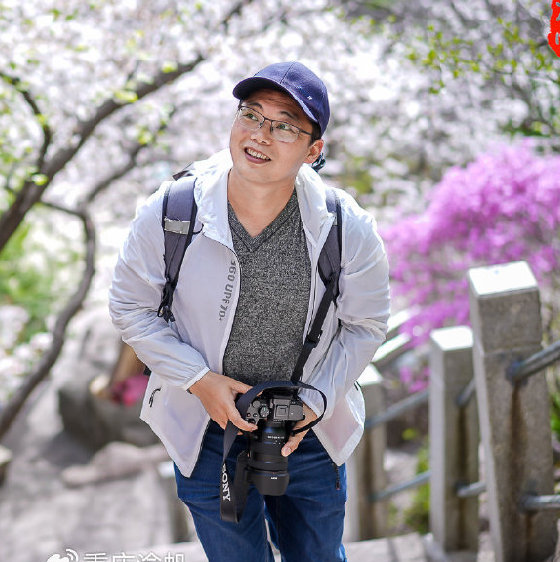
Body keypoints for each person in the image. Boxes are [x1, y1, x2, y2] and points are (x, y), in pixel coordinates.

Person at [108, 61, 390, 561]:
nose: (261, 135)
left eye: (285, 125)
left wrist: (314, 403)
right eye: (251, 115)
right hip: (205, 428)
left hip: (307, 431)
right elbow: (130, 307)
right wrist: (198, 379)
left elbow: (365, 325)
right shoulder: (174, 211)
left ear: (314, 149)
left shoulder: (347, 228)